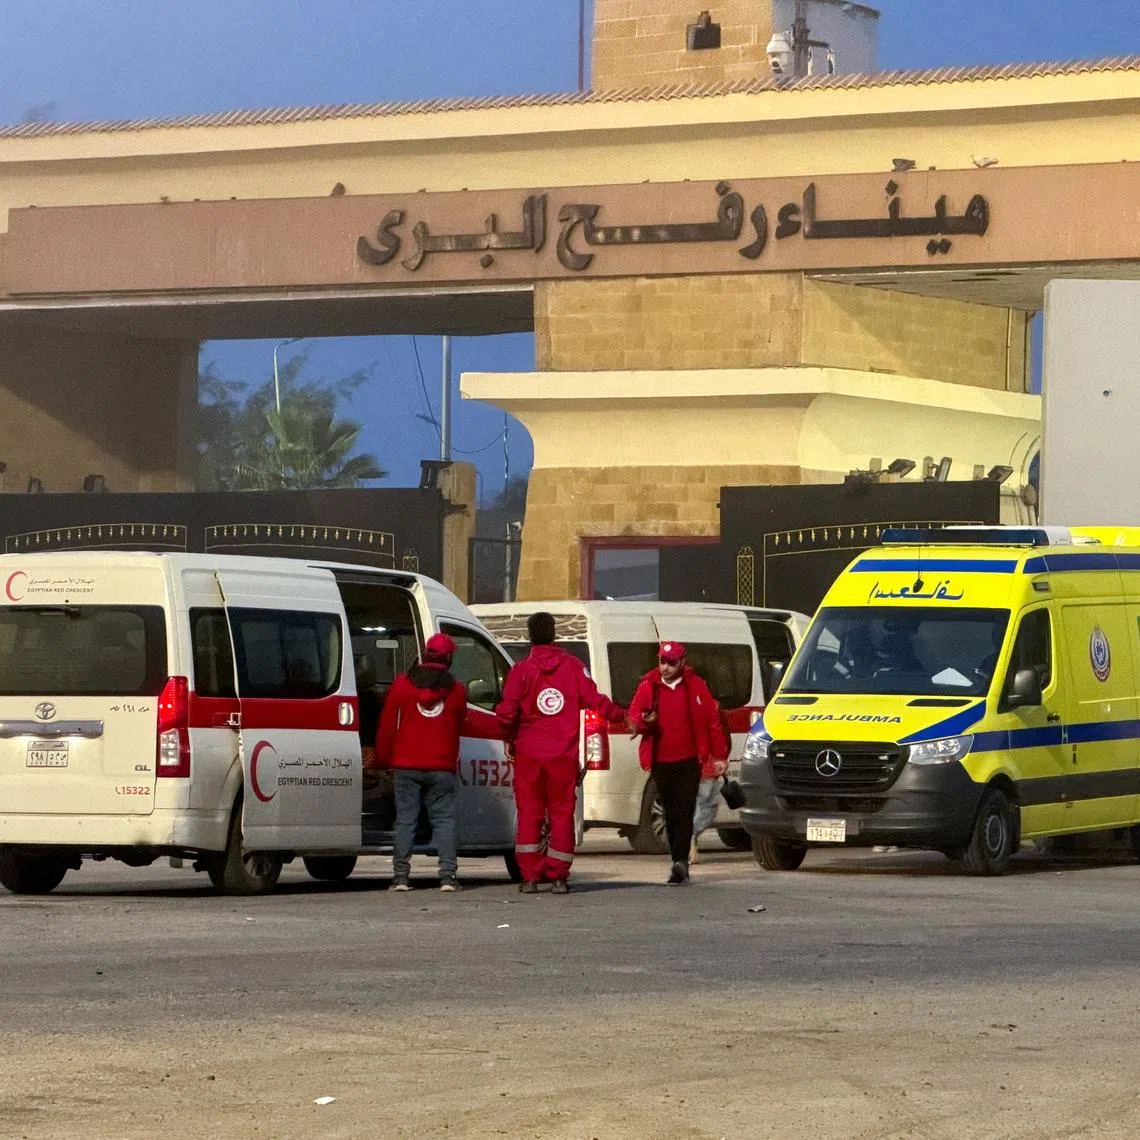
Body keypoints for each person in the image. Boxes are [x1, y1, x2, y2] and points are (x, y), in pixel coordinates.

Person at [495, 611, 626, 894]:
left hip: (529, 756)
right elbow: (596, 700)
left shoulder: (521, 671)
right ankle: (558, 877)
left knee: (529, 814)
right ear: (554, 633)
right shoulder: (573, 668)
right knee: (561, 815)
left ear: (530, 636)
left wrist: (508, 738)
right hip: (562, 757)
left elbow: (506, 713)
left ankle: (530, 878)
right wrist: (623, 717)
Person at [374, 633, 467, 892]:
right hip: (442, 766)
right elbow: (462, 723)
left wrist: (382, 759)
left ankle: (401, 877)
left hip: (406, 764)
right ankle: (448, 877)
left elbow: (388, 725)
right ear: (448, 658)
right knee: (445, 821)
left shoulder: (403, 684)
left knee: (405, 820)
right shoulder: (457, 689)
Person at [629, 642, 728, 884]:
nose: (665, 667)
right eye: (662, 661)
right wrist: (645, 722)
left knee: (684, 811)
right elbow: (633, 721)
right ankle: (677, 857)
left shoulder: (696, 686)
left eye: (671, 662)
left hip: (689, 761)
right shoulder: (648, 687)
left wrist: (719, 756)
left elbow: (712, 722)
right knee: (670, 813)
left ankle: (680, 862)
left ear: (682, 662)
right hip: (660, 762)